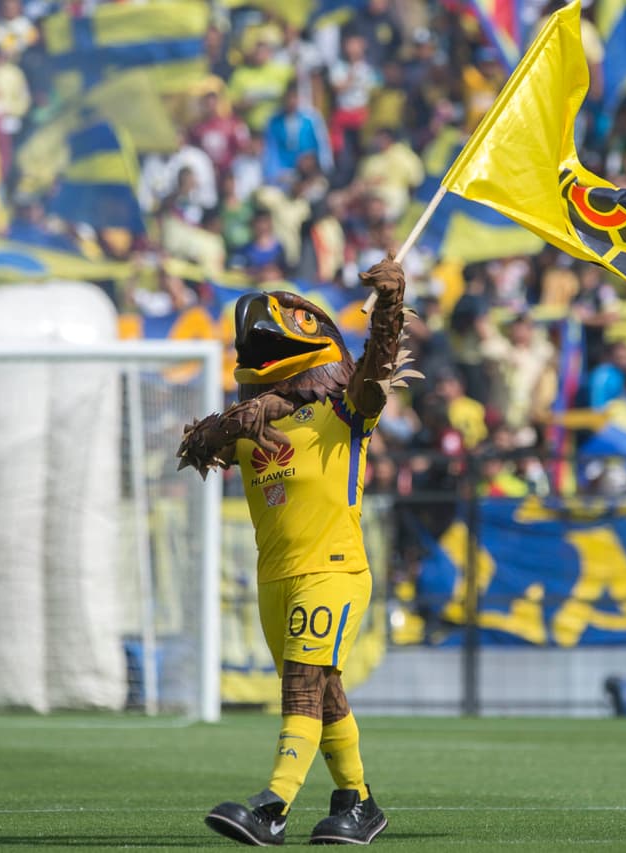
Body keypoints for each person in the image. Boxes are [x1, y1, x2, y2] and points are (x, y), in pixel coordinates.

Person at [178, 258, 406, 846]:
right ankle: (358, 803)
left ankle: (272, 808)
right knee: (324, 692)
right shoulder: (250, 423)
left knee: (302, 684)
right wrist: (240, 419)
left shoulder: (346, 412)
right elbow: (196, 447)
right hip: (274, 577)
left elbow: (378, 369)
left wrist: (389, 306)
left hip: (332, 569)